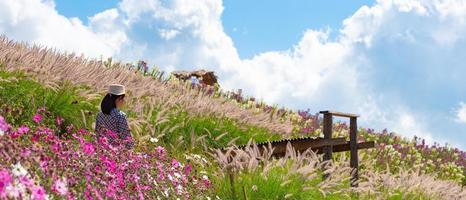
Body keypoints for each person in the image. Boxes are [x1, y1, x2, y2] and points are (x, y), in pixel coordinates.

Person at [95, 84, 134, 149]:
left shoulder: (100, 115)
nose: (124, 101)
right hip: (115, 152)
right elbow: (126, 137)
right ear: (119, 98)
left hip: (102, 150)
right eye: (123, 98)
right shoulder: (120, 115)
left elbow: (97, 134)